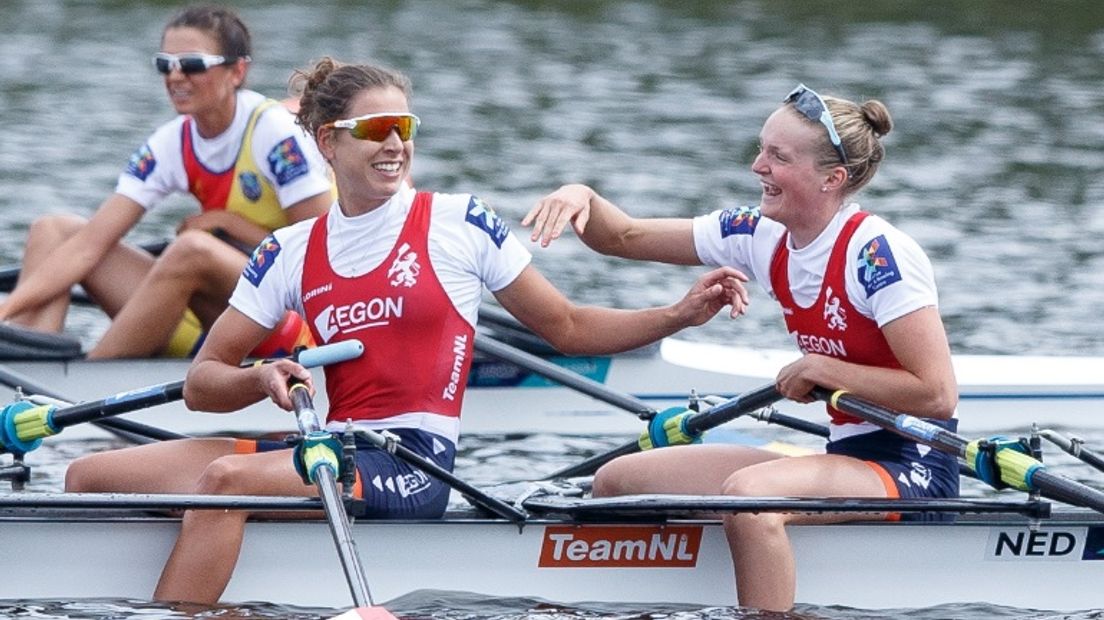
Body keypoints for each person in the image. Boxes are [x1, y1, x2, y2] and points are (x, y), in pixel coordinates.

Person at [62, 57, 749, 604]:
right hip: (323, 446)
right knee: (90, 475)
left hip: (409, 463)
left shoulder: (458, 222)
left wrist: (676, 315)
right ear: (329, 143)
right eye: (374, 130)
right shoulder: (291, 250)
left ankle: (190, 590)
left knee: (223, 481)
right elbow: (203, 384)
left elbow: (567, 327)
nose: (394, 143)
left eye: (405, 127)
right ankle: (220, 580)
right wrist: (259, 376)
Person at [523, 84, 959, 611]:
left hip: (911, 462)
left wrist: (825, 369)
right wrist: (581, 196)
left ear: (832, 178)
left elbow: (936, 395)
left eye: (778, 156)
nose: (757, 166)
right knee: (618, 481)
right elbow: (625, 237)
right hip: (844, 454)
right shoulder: (761, 234)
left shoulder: (878, 255)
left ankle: (763, 570)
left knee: (750, 500)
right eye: (761, 148)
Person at [0, 4, 333, 359]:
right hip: (209, 320)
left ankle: (79, 384)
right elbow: (88, 247)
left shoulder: (275, 134)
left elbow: (323, 249)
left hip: (293, 325)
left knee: (192, 249)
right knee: (54, 231)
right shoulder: (171, 143)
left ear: (237, 71)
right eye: (165, 65)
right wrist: (6, 310)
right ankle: (27, 361)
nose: (175, 77)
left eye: (191, 64)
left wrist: (230, 225)